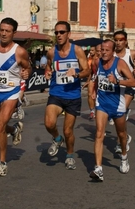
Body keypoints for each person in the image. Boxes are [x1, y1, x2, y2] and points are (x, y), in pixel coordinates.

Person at [0, 17, 31, 176]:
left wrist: (26, 73)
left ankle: (2, 163)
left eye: (7, 31)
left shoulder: (19, 51)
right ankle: (15, 129)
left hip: (11, 93)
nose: (3, 33)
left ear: (14, 33)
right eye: (1, 30)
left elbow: (27, 68)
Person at [43, 21, 90, 170]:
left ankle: (69, 155)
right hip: (56, 93)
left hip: (73, 96)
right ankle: (57, 139)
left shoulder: (77, 51)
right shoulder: (52, 52)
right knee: (49, 123)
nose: (59, 35)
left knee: (68, 131)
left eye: (62, 32)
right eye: (56, 32)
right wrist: (47, 72)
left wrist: (77, 74)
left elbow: (87, 70)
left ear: (69, 34)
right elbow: (48, 66)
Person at [89, 39, 135, 181]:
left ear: (113, 51)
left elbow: (133, 82)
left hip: (117, 104)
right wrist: (94, 90)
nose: (103, 52)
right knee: (99, 134)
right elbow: (96, 78)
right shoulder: (98, 63)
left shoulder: (120, 63)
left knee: (121, 134)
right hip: (102, 103)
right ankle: (98, 169)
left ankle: (124, 157)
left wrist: (117, 81)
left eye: (107, 50)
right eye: (102, 50)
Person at [111, 31, 135, 153]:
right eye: (116, 40)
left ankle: (120, 143)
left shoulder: (132, 53)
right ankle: (125, 136)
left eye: (121, 40)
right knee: (117, 118)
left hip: (129, 87)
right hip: (116, 88)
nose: (118, 42)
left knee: (121, 112)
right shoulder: (111, 54)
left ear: (125, 41)